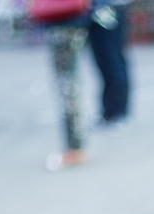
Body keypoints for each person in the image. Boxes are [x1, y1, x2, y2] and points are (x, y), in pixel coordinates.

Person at [45, 12, 90, 170]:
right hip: (68, 23)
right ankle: (75, 146)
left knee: (67, 88)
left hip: (64, 23)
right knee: (68, 86)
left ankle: (74, 148)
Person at [89, 0, 131, 128]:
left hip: (109, 9)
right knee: (104, 63)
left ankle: (118, 113)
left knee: (113, 62)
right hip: (94, 9)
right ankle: (109, 112)